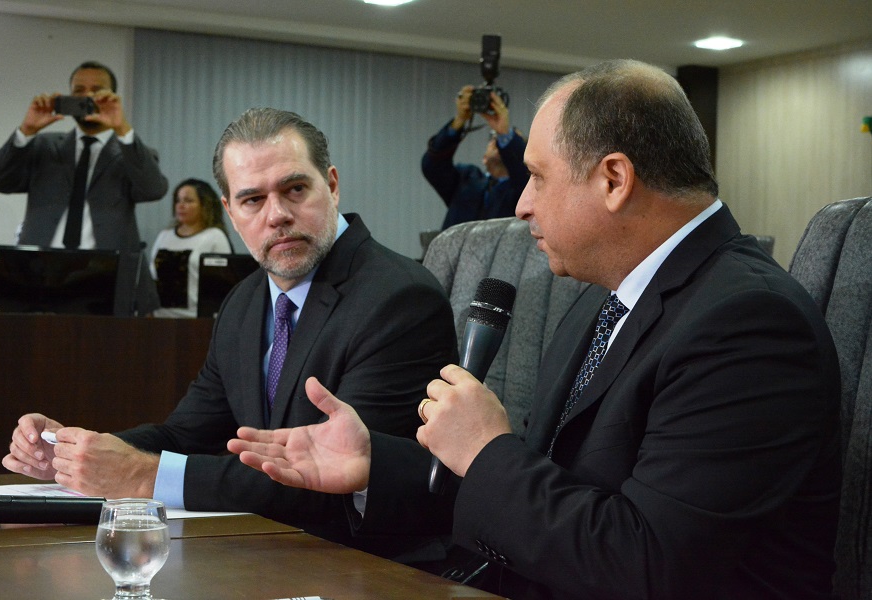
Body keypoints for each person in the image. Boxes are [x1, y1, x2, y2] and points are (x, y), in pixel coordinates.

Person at [230, 60, 842, 599]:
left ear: (613, 180)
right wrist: (377, 465)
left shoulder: (750, 323)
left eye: (538, 177)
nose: (521, 204)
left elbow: (648, 566)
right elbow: (546, 486)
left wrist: (488, 449)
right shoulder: (603, 299)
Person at [2, 108, 458, 562]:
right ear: (230, 212)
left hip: (368, 565)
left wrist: (142, 476)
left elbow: (328, 482)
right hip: (267, 551)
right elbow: (190, 434)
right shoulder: (245, 300)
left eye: (295, 189)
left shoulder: (399, 299)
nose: (277, 215)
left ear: (332, 185)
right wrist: (77, 453)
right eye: (252, 199)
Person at [0, 60, 167, 316]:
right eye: (79, 90)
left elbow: (153, 189)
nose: (87, 96)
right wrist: (26, 131)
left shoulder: (133, 153)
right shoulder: (44, 147)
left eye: (97, 89)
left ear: (113, 96)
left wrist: (122, 129)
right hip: (41, 277)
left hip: (105, 281)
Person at [422, 85, 528, 229]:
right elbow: (432, 166)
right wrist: (458, 121)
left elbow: (524, 174)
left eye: (506, 140)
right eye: (494, 137)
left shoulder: (525, 190)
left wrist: (506, 133)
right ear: (484, 158)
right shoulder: (466, 178)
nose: (498, 142)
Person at [149, 178, 233, 318]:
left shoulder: (214, 236)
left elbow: (222, 286)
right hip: (159, 318)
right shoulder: (164, 236)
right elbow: (151, 278)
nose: (181, 205)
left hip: (196, 321)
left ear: (204, 204)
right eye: (178, 200)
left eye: (188, 201)